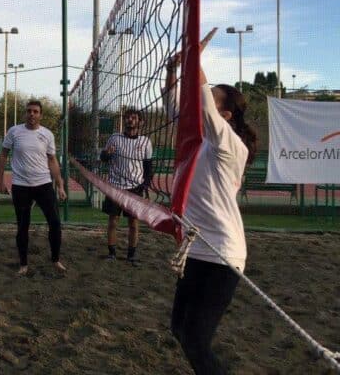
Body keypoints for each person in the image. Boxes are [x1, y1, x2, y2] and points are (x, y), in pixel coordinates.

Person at [165, 31, 257, 374]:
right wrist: (173, 72)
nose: (202, 100)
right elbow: (177, 105)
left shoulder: (230, 145)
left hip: (223, 254)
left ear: (227, 117)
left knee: (195, 339)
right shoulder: (200, 141)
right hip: (197, 248)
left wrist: (194, 60)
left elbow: (201, 101)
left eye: (215, 99)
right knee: (178, 329)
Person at [0, 100, 67, 275]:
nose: (32, 114)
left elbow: (52, 160)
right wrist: (0, 181)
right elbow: (3, 156)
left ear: (40, 115)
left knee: (55, 223)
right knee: (22, 226)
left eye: (35, 111)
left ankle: (56, 260)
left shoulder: (47, 134)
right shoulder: (14, 131)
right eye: (29, 111)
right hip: (21, 186)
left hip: (43, 184)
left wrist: (60, 185)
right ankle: (23, 264)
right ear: (25, 113)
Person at [99, 108, 153, 265]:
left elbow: (148, 167)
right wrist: (107, 154)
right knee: (113, 221)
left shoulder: (145, 142)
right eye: (128, 117)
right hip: (115, 187)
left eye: (134, 118)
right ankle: (112, 253)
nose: (130, 120)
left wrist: (145, 185)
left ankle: (131, 255)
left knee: (133, 223)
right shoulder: (114, 138)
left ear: (140, 122)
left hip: (134, 188)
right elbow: (103, 158)